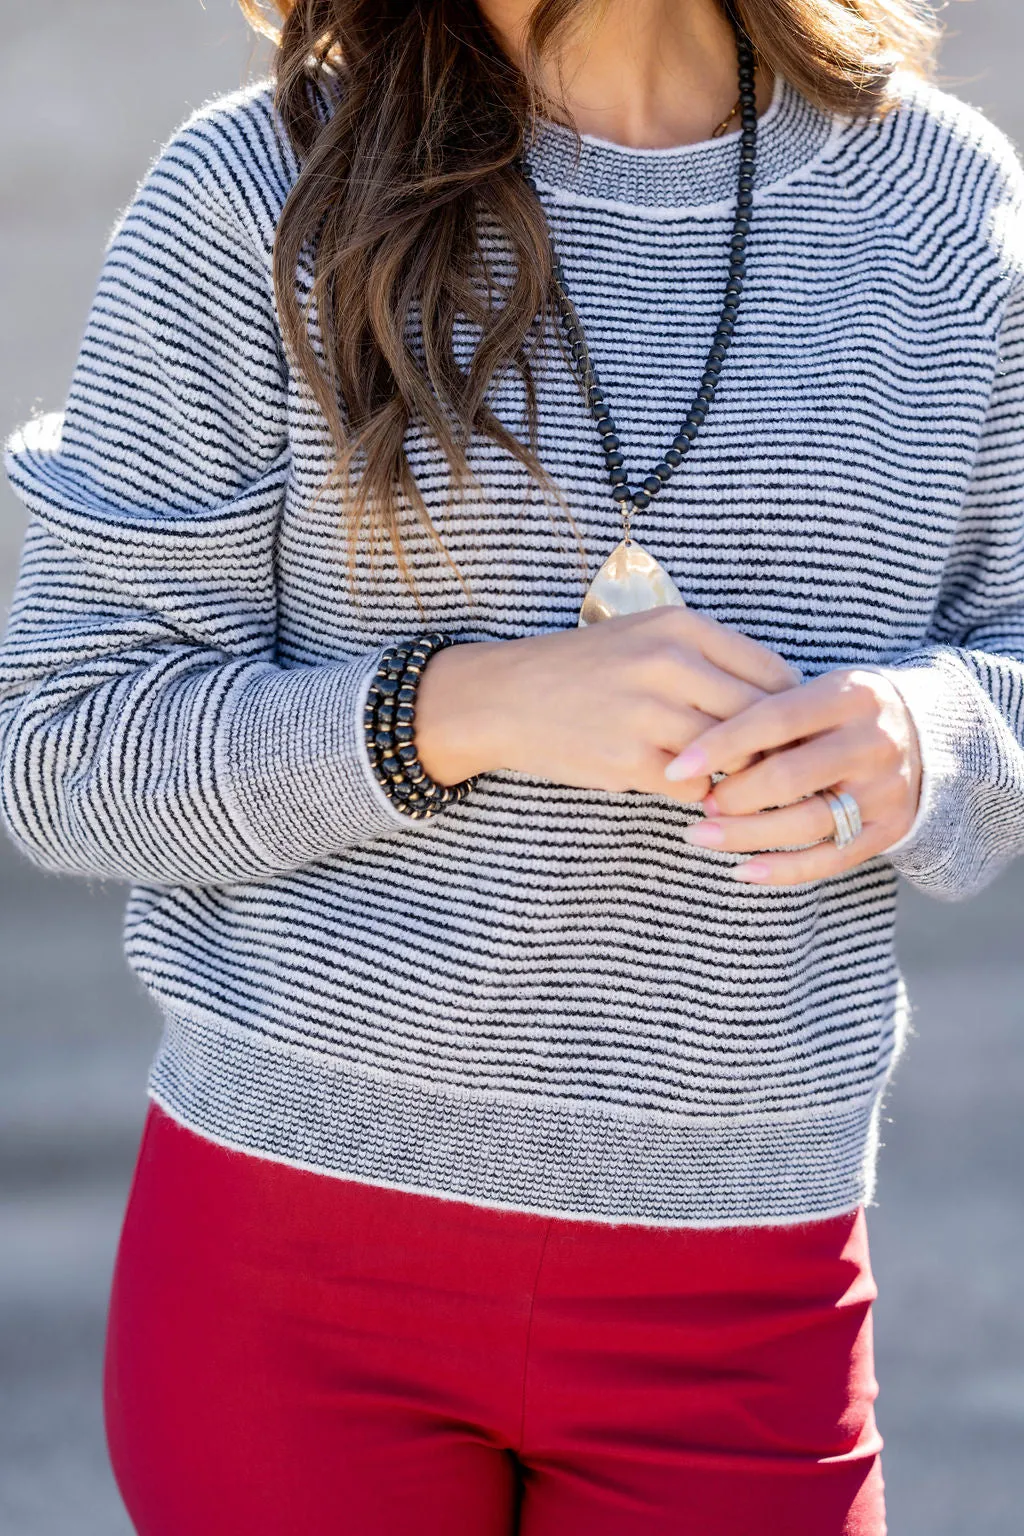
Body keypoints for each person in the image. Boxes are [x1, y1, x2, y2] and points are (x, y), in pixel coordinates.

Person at [2, 0, 1023, 1530]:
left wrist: (934, 741)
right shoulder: (258, 193)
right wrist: (460, 711)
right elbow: (64, 741)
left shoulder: (939, 211)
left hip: (746, 1296)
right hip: (296, 1279)